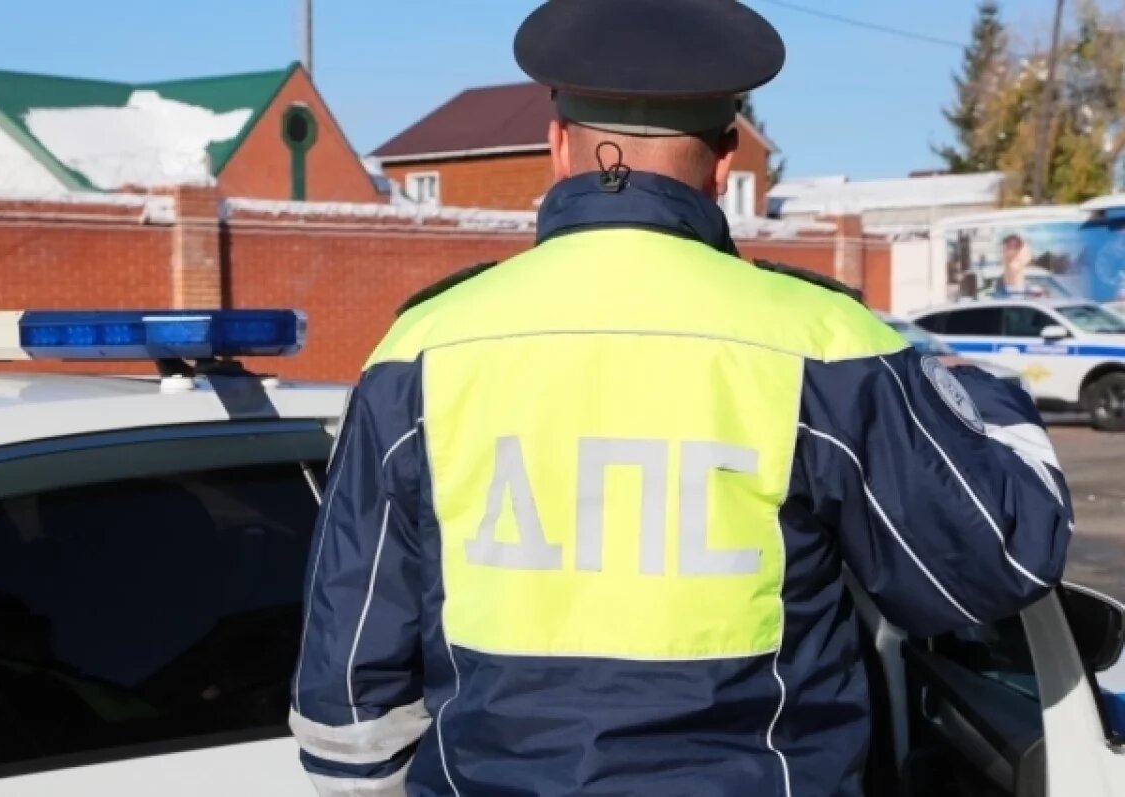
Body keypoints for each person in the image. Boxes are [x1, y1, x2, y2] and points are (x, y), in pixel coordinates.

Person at [290, 1, 1073, 795]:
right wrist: (989, 403)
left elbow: (350, 697)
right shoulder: (825, 341)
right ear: (726, 159)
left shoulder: (419, 348)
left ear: (558, 146)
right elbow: (996, 560)